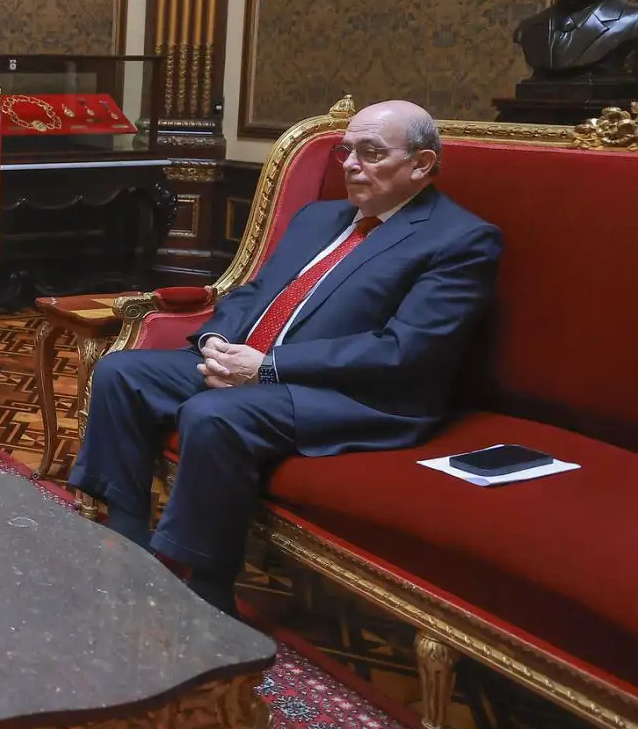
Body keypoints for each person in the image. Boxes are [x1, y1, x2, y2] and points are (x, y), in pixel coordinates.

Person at [69, 100, 502, 614]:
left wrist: (267, 367)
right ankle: (125, 537)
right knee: (122, 371)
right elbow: (254, 293)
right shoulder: (321, 218)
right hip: (256, 365)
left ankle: (204, 587)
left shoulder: (460, 240)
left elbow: (404, 351)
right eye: (346, 150)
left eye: (370, 152)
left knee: (212, 414)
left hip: (358, 395)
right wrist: (215, 342)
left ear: (422, 163)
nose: (349, 164)